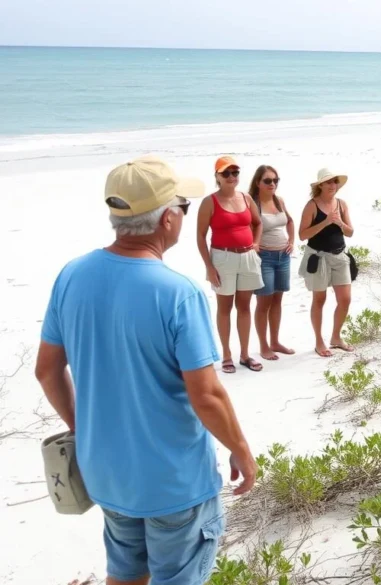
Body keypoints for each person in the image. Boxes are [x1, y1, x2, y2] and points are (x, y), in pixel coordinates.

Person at [34, 155, 257, 585]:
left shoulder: (71, 276)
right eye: (183, 209)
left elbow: (47, 371)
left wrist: (84, 426)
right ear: (168, 218)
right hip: (173, 481)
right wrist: (240, 449)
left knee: (124, 572)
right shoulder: (179, 293)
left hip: (106, 472)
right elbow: (206, 395)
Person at [196, 155, 265, 373]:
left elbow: (258, 222)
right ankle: (226, 355)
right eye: (225, 173)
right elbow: (200, 236)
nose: (231, 176)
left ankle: (245, 355)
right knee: (224, 308)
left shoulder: (245, 198)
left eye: (234, 172)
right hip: (222, 258)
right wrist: (209, 266)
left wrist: (255, 244)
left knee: (244, 306)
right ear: (217, 176)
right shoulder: (210, 201)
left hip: (247, 257)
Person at [297, 167, 355, 357]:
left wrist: (339, 222)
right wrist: (325, 221)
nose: (333, 185)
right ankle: (319, 341)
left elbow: (350, 232)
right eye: (329, 182)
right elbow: (302, 235)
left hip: (340, 256)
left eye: (335, 182)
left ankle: (336, 337)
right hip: (318, 257)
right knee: (319, 300)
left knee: (345, 299)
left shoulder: (342, 204)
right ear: (320, 185)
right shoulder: (312, 205)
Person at [248, 164, 296, 361]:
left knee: (278, 300)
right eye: (268, 180)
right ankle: (264, 345)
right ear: (258, 182)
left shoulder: (280, 200)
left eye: (276, 180)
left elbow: (290, 221)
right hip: (264, 258)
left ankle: (275, 341)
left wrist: (292, 241)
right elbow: (247, 228)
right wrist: (254, 245)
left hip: (283, 257)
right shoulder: (252, 202)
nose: (272, 184)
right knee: (263, 302)